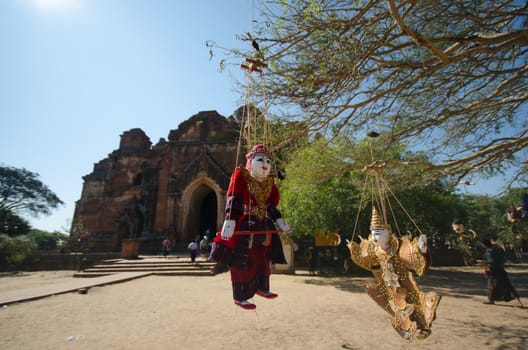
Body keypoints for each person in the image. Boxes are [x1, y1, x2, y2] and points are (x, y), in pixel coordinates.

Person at [212, 144, 292, 310]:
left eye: (268, 161)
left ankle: (262, 287)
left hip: (263, 224)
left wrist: (281, 222)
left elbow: (271, 207)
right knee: (242, 260)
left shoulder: (270, 183)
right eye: (260, 159)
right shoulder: (242, 176)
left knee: (263, 258)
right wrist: (230, 220)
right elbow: (235, 198)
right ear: (250, 160)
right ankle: (240, 296)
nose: (265, 163)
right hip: (245, 223)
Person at [348, 207, 441, 341]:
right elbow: (367, 259)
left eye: (379, 233)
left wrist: (421, 248)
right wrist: (354, 248)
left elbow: (411, 252)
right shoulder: (376, 250)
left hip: (404, 279)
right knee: (398, 307)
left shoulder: (397, 246)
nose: (375, 237)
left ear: (388, 233)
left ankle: (425, 324)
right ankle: (408, 328)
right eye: (373, 234)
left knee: (415, 300)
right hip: (389, 282)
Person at [480, 239, 523, 307]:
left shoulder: (489, 251)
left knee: (491, 285)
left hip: (494, 270)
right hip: (500, 269)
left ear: (484, 245)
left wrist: (488, 268)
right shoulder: (496, 249)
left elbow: (491, 261)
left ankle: (491, 300)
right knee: (507, 284)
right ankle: (518, 301)